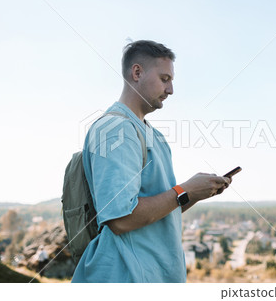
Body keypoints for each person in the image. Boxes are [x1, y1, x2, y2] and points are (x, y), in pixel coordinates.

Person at [71, 40, 232, 283]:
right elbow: (120, 219)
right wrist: (184, 189)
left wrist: (195, 193)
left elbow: (158, 207)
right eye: (165, 78)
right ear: (137, 73)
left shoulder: (153, 135)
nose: (171, 90)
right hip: (125, 276)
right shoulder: (116, 129)